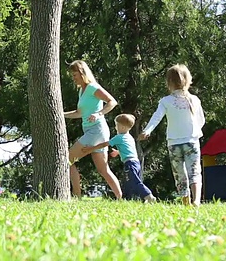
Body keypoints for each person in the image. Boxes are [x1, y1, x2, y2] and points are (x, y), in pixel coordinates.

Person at [139, 64, 205, 206]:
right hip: (191, 141)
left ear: (169, 82)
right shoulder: (195, 99)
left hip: (174, 143)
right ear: (188, 80)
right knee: (194, 171)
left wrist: (147, 130)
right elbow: (201, 121)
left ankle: (186, 203)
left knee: (180, 175)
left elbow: (157, 117)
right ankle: (197, 201)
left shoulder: (166, 101)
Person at [64, 60, 122, 199]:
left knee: (67, 160)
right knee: (103, 169)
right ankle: (121, 198)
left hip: (96, 131)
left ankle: (76, 196)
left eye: (75, 75)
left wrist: (99, 113)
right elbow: (79, 113)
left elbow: (112, 101)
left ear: (82, 73)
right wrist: (60, 114)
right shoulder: (81, 91)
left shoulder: (92, 87)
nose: (73, 78)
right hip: (93, 132)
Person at [82, 114, 156, 203]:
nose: (116, 128)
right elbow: (128, 149)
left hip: (130, 163)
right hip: (135, 162)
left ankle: (148, 196)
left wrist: (91, 149)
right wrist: (118, 152)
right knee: (129, 183)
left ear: (123, 127)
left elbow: (104, 144)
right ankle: (128, 200)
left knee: (134, 181)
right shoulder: (129, 137)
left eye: (117, 126)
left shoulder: (119, 137)